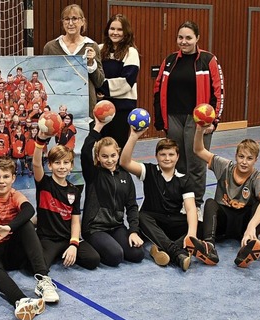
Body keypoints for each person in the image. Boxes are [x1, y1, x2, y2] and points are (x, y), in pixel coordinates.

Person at [0, 145, 58, 320]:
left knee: (26, 225)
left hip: (12, 249)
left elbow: (29, 209)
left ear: (13, 178)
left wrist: (8, 228)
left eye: (6, 177)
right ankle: (21, 300)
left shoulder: (15, 195)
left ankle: (43, 279)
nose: (1, 181)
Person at [153, 20, 224, 210]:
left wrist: (214, 121)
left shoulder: (208, 60)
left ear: (197, 38)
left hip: (198, 121)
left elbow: (219, 92)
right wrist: (160, 119)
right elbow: (158, 88)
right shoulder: (169, 60)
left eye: (188, 38)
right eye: (180, 38)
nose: (184, 42)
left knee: (197, 164)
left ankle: (196, 205)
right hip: (174, 118)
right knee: (177, 163)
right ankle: (180, 201)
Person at [192, 124, 260, 268]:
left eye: (249, 158)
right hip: (223, 223)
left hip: (244, 226)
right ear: (236, 156)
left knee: (258, 205)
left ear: (256, 160)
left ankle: (246, 249)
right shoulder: (224, 166)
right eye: (241, 156)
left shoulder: (257, 177)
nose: (244, 161)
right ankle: (209, 245)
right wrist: (199, 130)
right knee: (210, 203)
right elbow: (198, 150)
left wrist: (251, 227)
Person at [120, 127, 198, 271]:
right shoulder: (148, 171)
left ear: (177, 157)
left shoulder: (185, 180)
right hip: (153, 221)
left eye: (171, 154)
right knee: (141, 216)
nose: (167, 158)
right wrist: (133, 136)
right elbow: (124, 162)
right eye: (162, 154)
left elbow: (190, 208)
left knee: (198, 224)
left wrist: (192, 233)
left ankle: (160, 249)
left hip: (173, 220)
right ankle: (177, 253)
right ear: (156, 156)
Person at [80, 120, 144, 267]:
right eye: (104, 156)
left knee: (137, 254)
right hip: (95, 228)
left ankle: (111, 243)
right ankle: (92, 245)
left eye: (113, 155)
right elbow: (85, 151)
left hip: (116, 226)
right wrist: (98, 127)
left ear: (118, 153)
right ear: (98, 156)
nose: (109, 160)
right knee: (116, 256)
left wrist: (134, 231)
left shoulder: (125, 176)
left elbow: (132, 206)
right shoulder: (93, 174)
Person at [33, 134, 100, 270]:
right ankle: (55, 254)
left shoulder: (74, 191)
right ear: (50, 166)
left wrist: (74, 244)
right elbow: (36, 163)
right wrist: (40, 141)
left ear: (71, 166)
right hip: (48, 239)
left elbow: (75, 221)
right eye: (57, 163)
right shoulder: (44, 183)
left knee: (93, 259)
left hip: (66, 238)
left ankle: (64, 253)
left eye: (66, 163)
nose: (62, 167)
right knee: (39, 267)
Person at [43, 4, 105, 117]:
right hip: (58, 108)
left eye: (75, 19)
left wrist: (91, 64)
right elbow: (45, 80)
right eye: (67, 19)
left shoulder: (91, 46)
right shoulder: (51, 47)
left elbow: (99, 82)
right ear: (62, 22)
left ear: (82, 21)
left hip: (85, 110)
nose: (70, 23)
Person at [96, 14, 140, 149]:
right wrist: (96, 90)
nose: (115, 33)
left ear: (126, 32)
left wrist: (102, 88)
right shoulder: (98, 49)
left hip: (122, 108)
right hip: (100, 107)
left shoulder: (131, 52)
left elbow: (126, 82)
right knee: (100, 147)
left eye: (119, 29)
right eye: (112, 28)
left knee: (117, 147)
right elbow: (91, 75)